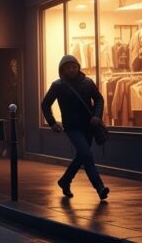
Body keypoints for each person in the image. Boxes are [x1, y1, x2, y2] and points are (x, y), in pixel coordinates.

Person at [42, 55, 110, 200]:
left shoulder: (88, 82)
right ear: (62, 70)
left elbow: (99, 99)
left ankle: (65, 181)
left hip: (89, 126)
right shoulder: (58, 85)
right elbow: (45, 104)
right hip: (72, 127)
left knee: (81, 157)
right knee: (86, 154)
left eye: (74, 66)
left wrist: (97, 115)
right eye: (68, 67)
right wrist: (52, 122)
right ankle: (99, 187)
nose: (72, 70)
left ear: (78, 67)